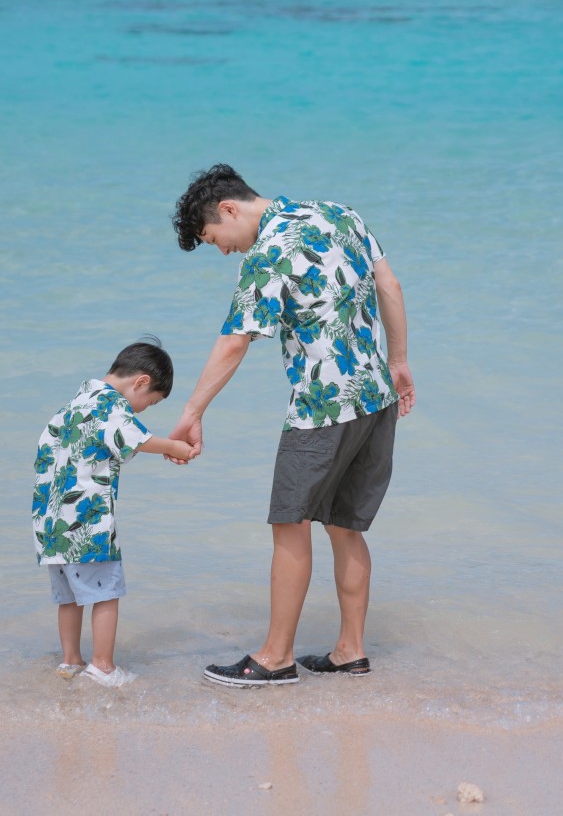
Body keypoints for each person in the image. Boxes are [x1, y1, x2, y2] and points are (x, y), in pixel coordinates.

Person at [168, 165, 416, 687]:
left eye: (215, 238)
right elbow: (388, 283)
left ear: (229, 210)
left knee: (290, 523)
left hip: (322, 409)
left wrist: (191, 413)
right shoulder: (337, 213)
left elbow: (235, 341)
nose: (222, 251)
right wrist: (399, 360)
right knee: (346, 527)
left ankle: (275, 657)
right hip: (375, 398)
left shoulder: (267, 253)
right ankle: (351, 650)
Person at [32, 339, 195, 688]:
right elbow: (132, 436)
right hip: (87, 523)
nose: (143, 411)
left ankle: (71, 661)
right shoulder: (111, 406)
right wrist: (172, 446)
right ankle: (103, 667)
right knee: (106, 591)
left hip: (52, 524)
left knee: (70, 597)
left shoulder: (73, 404)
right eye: (149, 403)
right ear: (140, 383)